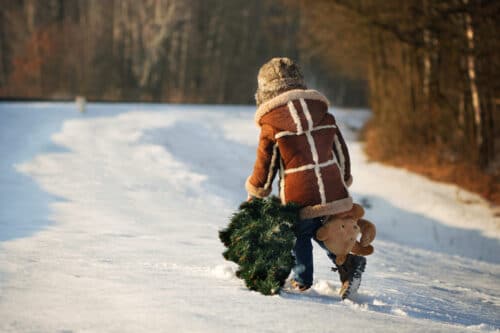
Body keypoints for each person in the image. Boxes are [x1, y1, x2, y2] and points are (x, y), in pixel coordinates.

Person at [245, 57, 366, 299]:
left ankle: (301, 280)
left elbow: (265, 165)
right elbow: (340, 150)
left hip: (298, 191)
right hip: (331, 187)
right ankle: (347, 264)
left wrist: (257, 191)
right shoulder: (322, 112)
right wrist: (343, 180)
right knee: (328, 229)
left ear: (265, 91)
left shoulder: (271, 122)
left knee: (298, 232)